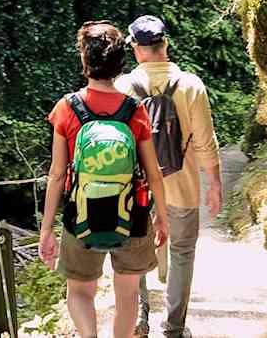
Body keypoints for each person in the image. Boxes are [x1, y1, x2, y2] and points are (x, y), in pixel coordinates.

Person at [40, 21, 172, 338]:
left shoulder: (67, 108)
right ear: (119, 64)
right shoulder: (134, 110)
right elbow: (152, 171)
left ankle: (89, 336)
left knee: (80, 292)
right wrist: (162, 218)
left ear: (85, 61)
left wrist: (47, 229)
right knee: (127, 294)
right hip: (133, 214)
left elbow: (57, 174)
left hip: (80, 214)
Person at [119, 15, 221, 338]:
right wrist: (214, 183)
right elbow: (205, 140)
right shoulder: (191, 85)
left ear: (137, 49)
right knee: (182, 252)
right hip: (182, 186)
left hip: (136, 189)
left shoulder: (122, 87)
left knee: (135, 251)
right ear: (165, 44)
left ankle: (139, 316)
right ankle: (173, 327)